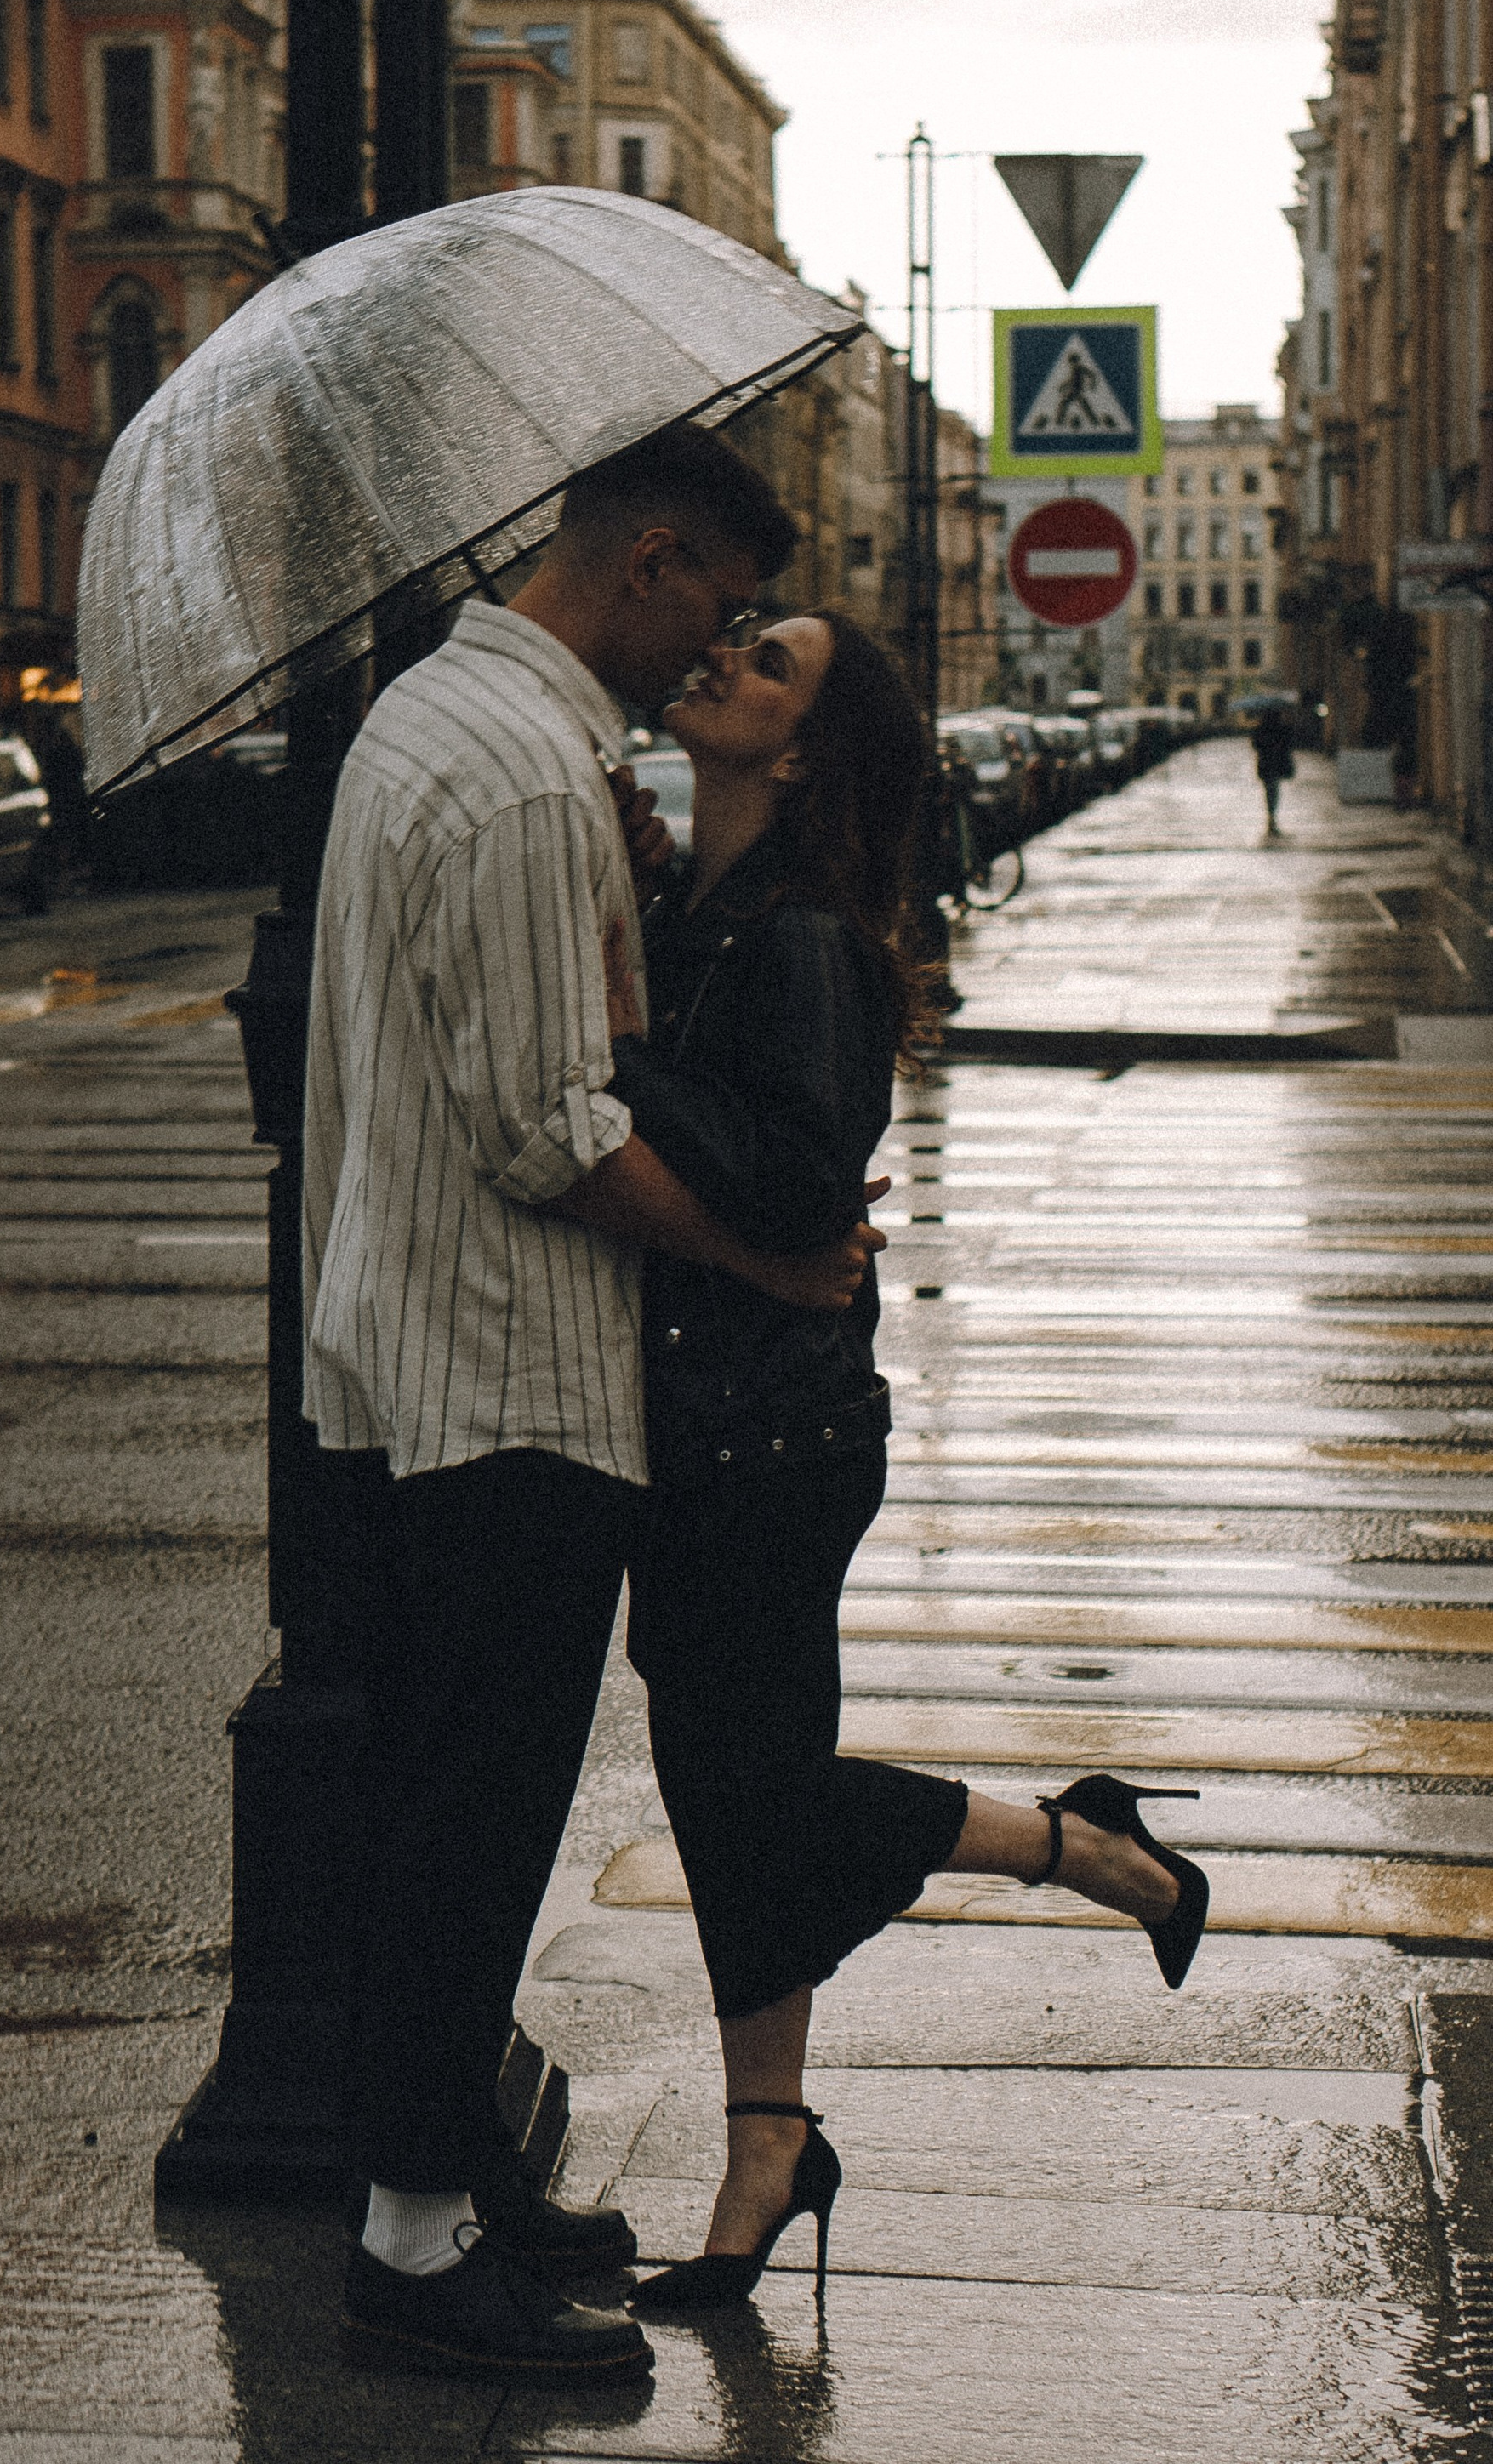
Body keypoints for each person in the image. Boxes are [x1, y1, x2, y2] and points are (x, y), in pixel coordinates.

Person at [303, 426, 886, 2384]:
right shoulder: (506, 777)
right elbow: (548, 1133)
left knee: (450, 1793)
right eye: (717, 603)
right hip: (506, 1375)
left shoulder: (470, 735)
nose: (717, 637)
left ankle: (451, 2172)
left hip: (440, 1354)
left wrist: (609, 894)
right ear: (646, 560)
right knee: (467, 1814)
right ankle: (408, 2245)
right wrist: (765, 1261)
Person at [609, 609, 1210, 2316]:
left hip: (771, 1438)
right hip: (730, 1422)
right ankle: (766, 2144)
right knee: (732, 1801)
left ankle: (1092, 1851)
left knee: (758, 1799)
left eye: (767, 661)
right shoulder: (716, 916)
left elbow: (798, 1187)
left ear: (796, 753)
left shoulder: (792, 940)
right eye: (726, 637)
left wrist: (622, 1062)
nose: (718, 653)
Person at [1252, 708, 1295, 834]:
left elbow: (1255, 745)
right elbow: (1290, 743)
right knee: (1274, 791)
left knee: (1270, 791)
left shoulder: (1260, 729)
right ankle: (1272, 817)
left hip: (1266, 765)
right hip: (1276, 765)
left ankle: (1271, 817)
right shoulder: (1281, 729)